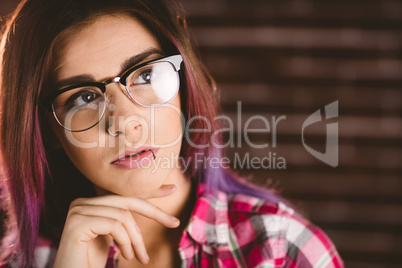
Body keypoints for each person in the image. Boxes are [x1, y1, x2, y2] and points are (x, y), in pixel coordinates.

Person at [0, 0, 344, 267]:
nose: (126, 122)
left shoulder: (284, 252)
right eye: (83, 97)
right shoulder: (31, 261)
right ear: (48, 134)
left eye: (146, 75)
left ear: (184, 87)